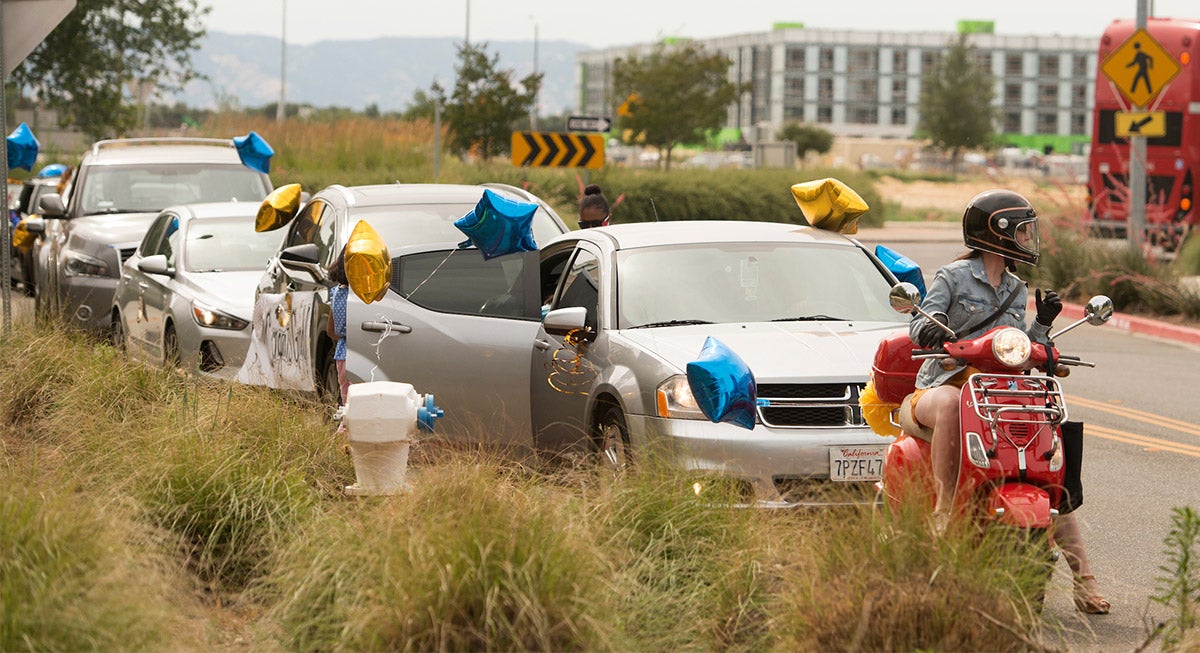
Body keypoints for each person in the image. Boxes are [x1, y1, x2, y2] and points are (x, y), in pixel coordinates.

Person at [908, 189, 1109, 614]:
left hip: (998, 394)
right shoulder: (952, 277)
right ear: (996, 232)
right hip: (944, 384)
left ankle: (1084, 578)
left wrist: (1044, 325)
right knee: (948, 404)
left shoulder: (1017, 288)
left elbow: (1016, 348)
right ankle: (945, 507)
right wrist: (933, 329)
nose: (1028, 238)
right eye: (1021, 231)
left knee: (1051, 456)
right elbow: (918, 323)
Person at [326, 246, 351, 415]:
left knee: (348, 405)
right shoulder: (362, 296)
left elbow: (331, 330)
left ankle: (344, 435)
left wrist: (344, 337)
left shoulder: (336, 293)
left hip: (342, 355)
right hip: (361, 355)